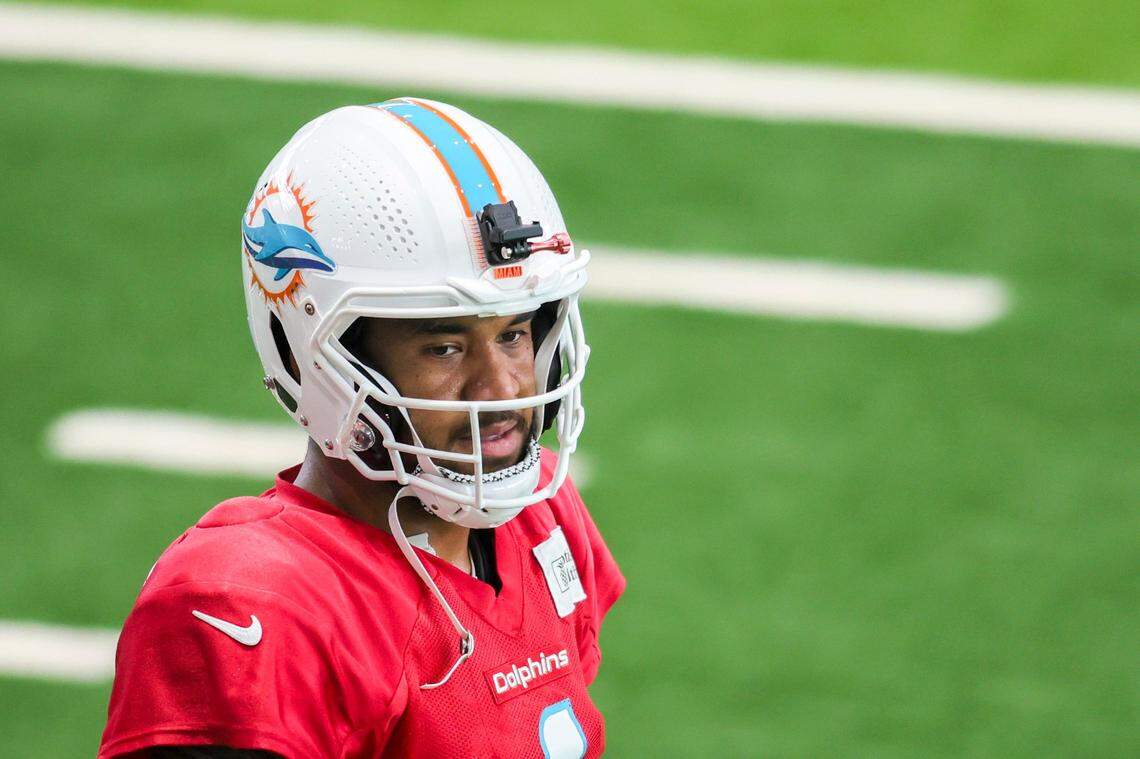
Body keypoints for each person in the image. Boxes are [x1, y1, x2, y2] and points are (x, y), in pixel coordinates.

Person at [98, 98, 625, 758]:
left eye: (515, 333)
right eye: (445, 347)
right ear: (314, 357)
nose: (502, 388)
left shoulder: (540, 514)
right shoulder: (254, 601)